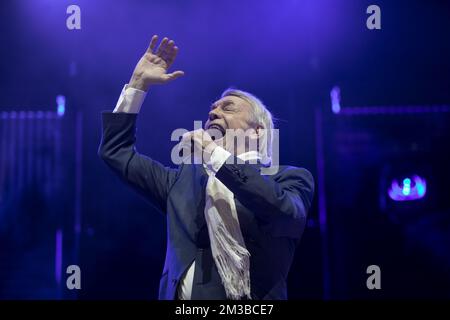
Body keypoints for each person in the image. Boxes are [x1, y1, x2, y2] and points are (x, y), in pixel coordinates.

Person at [98, 35, 314, 300]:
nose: (213, 113)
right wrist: (137, 85)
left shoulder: (290, 178)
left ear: (257, 132)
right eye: (212, 109)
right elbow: (116, 153)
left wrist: (213, 154)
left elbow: (283, 214)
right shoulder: (183, 181)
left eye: (228, 108)